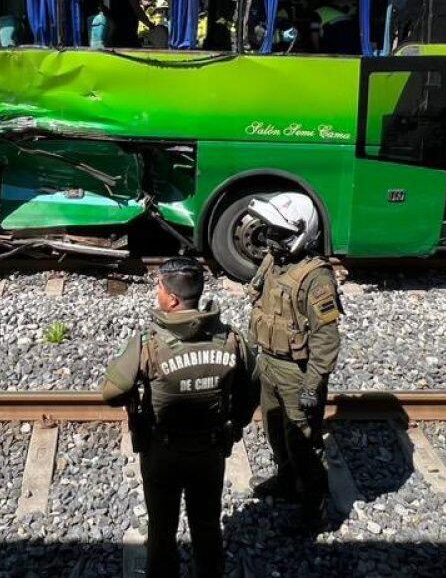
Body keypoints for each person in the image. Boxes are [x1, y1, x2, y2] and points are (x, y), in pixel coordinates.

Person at [101, 258, 259, 578]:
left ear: (172, 299)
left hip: (163, 453)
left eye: (159, 288)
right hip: (210, 453)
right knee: (207, 525)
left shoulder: (149, 343)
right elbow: (252, 388)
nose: (157, 293)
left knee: (162, 529)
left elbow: (110, 392)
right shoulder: (231, 339)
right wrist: (235, 424)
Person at [243, 192, 342, 534]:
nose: (271, 239)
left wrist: (313, 385)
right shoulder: (275, 259)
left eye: (279, 233)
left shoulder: (317, 279)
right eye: (269, 231)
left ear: (301, 233)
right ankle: (287, 480)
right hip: (268, 361)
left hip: (296, 372)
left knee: (302, 442)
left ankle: (315, 506)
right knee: (273, 427)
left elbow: (326, 339)